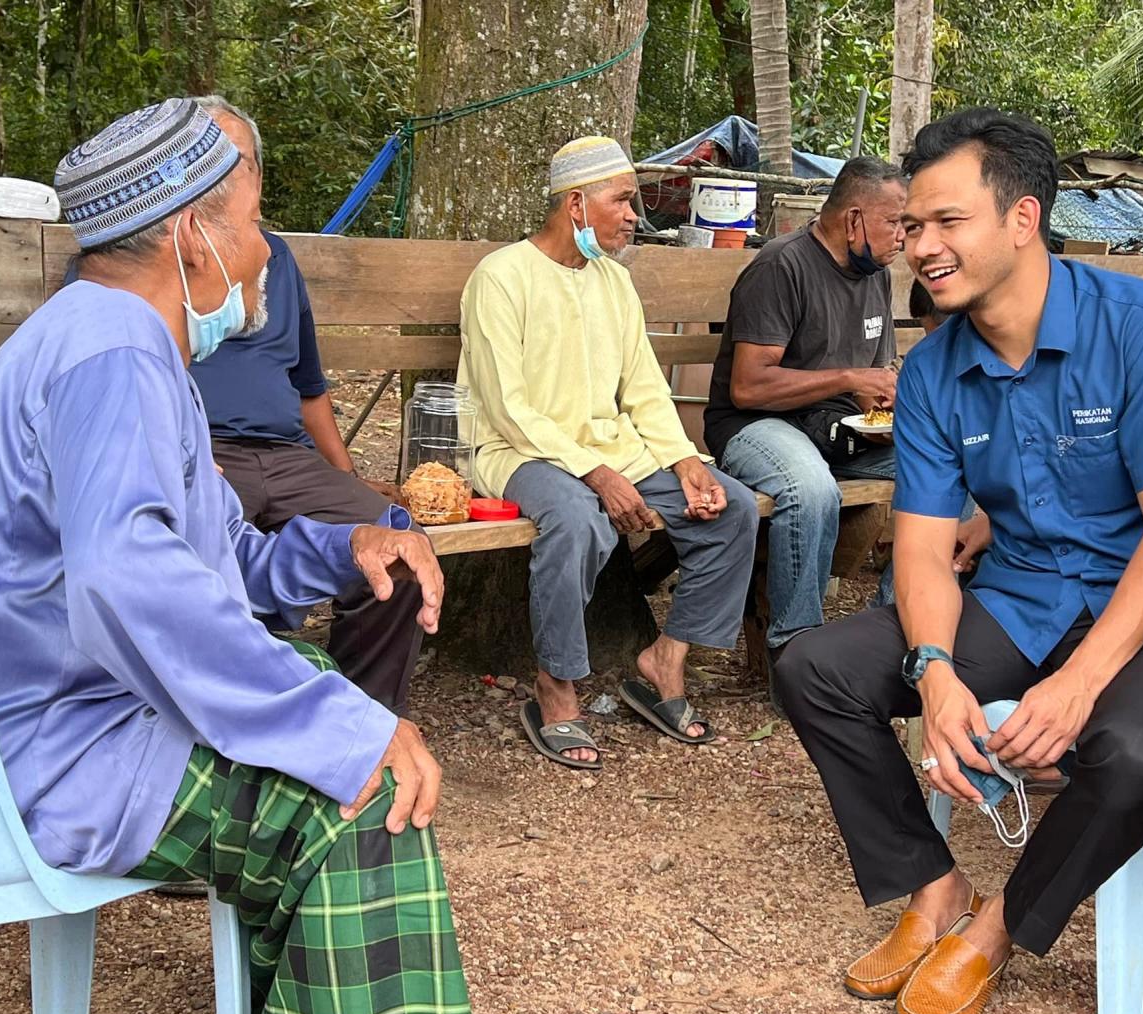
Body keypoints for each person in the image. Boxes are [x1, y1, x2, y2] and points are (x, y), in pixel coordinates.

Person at [0, 99, 472, 1014]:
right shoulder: (110, 351)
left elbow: (221, 560)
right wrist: (340, 728)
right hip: (27, 758)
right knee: (364, 796)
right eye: (254, 225)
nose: (264, 254)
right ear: (191, 237)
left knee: (331, 735)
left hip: (41, 728)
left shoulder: (111, 343)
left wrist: (346, 546)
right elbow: (125, 575)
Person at [776, 107, 1143, 1014]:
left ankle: (998, 924)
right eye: (912, 226)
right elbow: (919, 545)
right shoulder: (937, 369)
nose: (921, 245)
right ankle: (933, 887)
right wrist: (935, 671)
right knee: (815, 669)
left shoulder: (1142, 325)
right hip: (1019, 598)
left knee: (1130, 753)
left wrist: (1076, 685)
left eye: (947, 222)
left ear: (1021, 219)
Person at [456, 136, 758, 768]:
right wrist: (594, 474)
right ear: (575, 203)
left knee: (731, 509)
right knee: (577, 518)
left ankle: (661, 664)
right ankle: (557, 687)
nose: (634, 214)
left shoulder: (615, 282)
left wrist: (685, 461)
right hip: (518, 452)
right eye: (622, 200)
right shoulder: (501, 276)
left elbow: (645, 388)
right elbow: (507, 406)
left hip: (612, 452)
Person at [184, 97, 422, 715]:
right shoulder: (161, 252)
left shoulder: (277, 259)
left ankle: (360, 715)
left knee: (398, 545)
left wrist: (345, 478)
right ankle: (236, 719)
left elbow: (311, 386)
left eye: (234, 162)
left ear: (257, 176)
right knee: (203, 551)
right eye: (200, 158)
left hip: (287, 458)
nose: (219, 173)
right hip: (202, 452)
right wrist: (175, 451)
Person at [701, 156, 905, 664]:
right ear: (853, 219)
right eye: (895, 221)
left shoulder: (874, 272)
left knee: (952, 464)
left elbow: (873, 375)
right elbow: (747, 388)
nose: (904, 235)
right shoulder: (781, 266)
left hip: (837, 429)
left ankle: (893, 630)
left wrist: (881, 399)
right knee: (811, 489)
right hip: (756, 425)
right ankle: (798, 656)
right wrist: (849, 379)